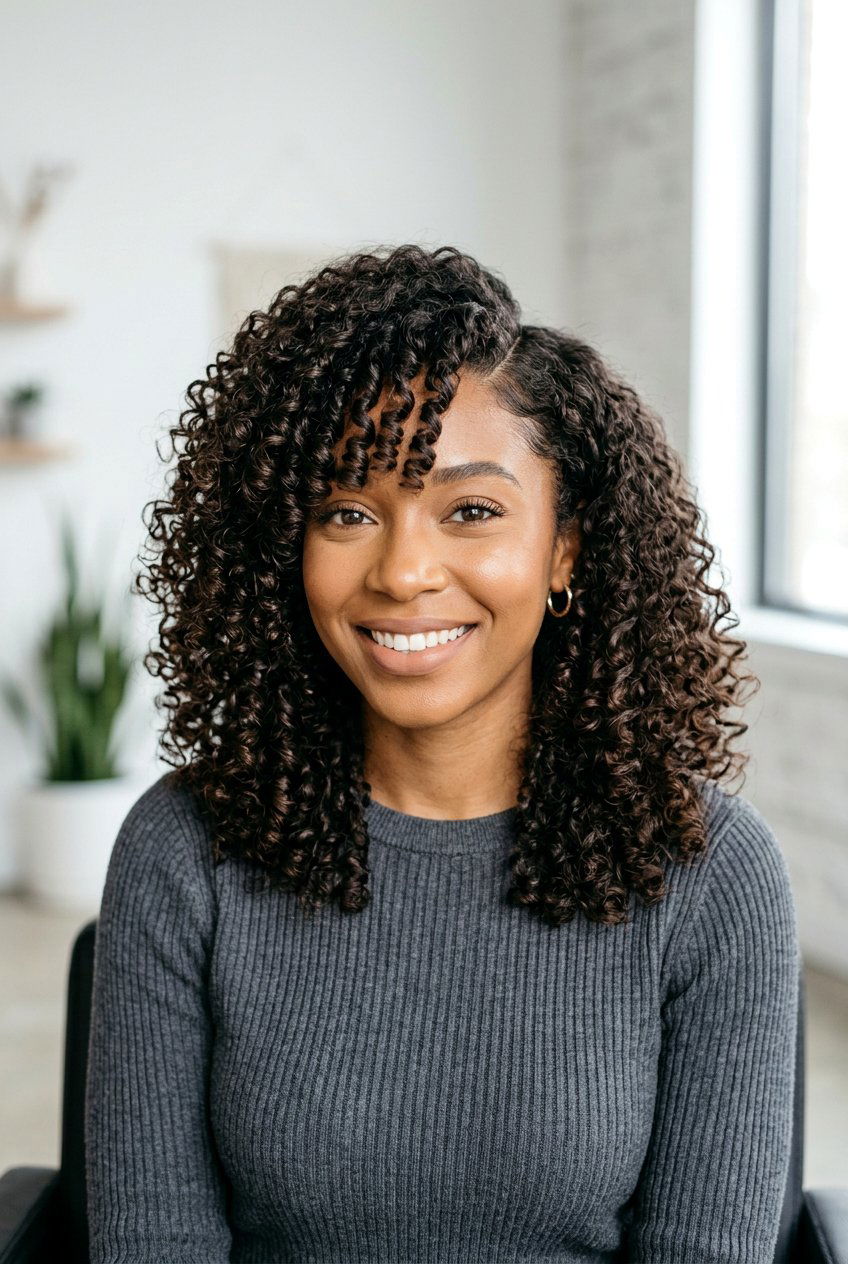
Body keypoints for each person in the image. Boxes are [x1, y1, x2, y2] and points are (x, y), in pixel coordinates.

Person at [84, 243, 800, 1263]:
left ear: (564, 548)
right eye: (346, 511)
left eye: (470, 510)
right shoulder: (184, 849)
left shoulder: (709, 871)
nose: (403, 569)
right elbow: (153, 1241)